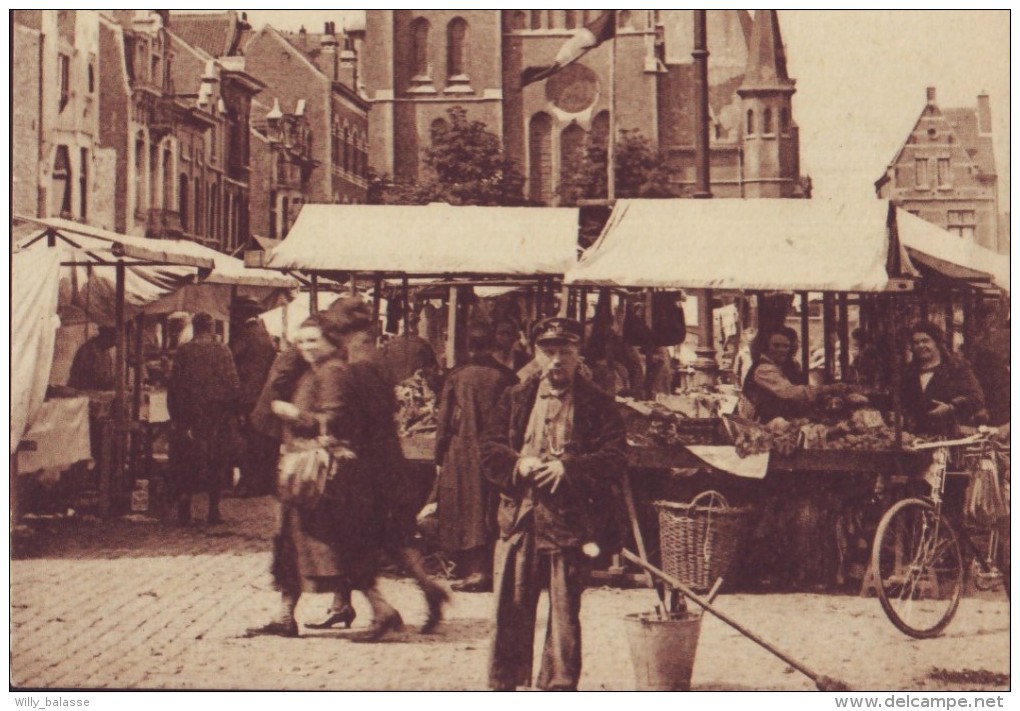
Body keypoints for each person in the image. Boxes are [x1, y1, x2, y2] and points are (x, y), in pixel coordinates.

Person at [481, 317, 628, 691]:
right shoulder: (516, 397)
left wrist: (570, 468)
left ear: (578, 354)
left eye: (565, 351)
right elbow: (489, 450)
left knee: (564, 610)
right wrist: (518, 463)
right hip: (520, 514)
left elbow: (614, 457)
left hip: (570, 519)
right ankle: (504, 684)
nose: (557, 360)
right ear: (536, 353)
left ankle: (558, 687)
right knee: (510, 607)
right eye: (549, 351)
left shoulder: (598, 403)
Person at [305, 298, 450, 637]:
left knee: (352, 541)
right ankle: (430, 589)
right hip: (389, 464)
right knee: (395, 539)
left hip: (364, 469)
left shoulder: (353, 367)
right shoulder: (378, 362)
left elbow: (346, 419)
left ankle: (381, 612)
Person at [245, 315, 373, 638]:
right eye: (301, 342)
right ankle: (308, 610)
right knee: (307, 543)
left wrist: (295, 415)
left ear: (331, 340)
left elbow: (332, 420)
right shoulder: (322, 368)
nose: (305, 348)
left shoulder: (331, 372)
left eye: (312, 341)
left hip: (311, 471)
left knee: (311, 545)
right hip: (307, 466)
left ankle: (376, 608)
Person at [425, 322, 517, 593]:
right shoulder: (506, 376)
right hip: (496, 450)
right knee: (489, 507)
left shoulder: (458, 375)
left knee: (465, 510)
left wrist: (440, 451)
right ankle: (490, 569)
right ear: (493, 346)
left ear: (468, 347)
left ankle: (476, 572)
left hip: (462, 450)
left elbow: (444, 418)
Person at [167, 313, 240, 525]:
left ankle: (184, 509)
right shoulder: (222, 350)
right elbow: (233, 385)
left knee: (186, 463)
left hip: (189, 416)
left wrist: (176, 416)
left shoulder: (184, 351)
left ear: (195, 328)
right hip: (216, 416)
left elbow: (174, 386)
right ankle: (214, 511)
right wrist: (231, 412)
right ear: (212, 327)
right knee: (216, 463)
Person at [737, 326, 847, 423]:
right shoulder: (764, 370)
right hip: (763, 424)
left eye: (786, 346)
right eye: (776, 345)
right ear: (766, 347)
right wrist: (828, 389)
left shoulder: (782, 365)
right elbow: (791, 392)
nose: (782, 350)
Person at [230, 298, 278, 496]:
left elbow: (231, 360)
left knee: (246, 442)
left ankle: (250, 484)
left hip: (246, 396)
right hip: (263, 394)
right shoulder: (265, 335)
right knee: (262, 441)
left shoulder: (244, 335)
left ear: (241, 315)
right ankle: (264, 483)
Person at [902, 321, 985, 436]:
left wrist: (951, 407)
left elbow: (977, 398)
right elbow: (898, 400)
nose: (920, 346)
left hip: (952, 436)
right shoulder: (909, 372)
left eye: (925, 341)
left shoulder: (956, 368)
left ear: (936, 342)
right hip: (918, 438)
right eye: (916, 343)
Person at [380, 309, 441, 391]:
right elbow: (433, 370)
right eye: (417, 325)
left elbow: (382, 370)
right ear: (413, 326)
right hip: (416, 390)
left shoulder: (389, 345)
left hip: (394, 390)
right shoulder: (423, 344)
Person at [68, 326, 117, 391]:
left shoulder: (105, 352)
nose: (114, 344)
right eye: (112, 339)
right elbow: (83, 380)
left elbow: (105, 377)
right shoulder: (88, 350)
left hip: (96, 393)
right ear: (105, 336)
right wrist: (109, 383)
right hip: (80, 394)